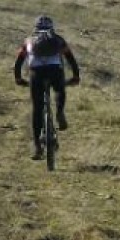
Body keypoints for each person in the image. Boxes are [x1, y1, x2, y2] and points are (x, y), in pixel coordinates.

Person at [14, 14, 80, 160]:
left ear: (35, 27)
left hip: (36, 74)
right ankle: (59, 112)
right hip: (54, 71)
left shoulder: (28, 41)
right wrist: (75, 76)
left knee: (37, 109)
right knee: (59, 89)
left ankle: (37, 145)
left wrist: (19, 79)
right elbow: (71, 59)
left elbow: (18, 62)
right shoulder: (58, 40)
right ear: (52, 27)